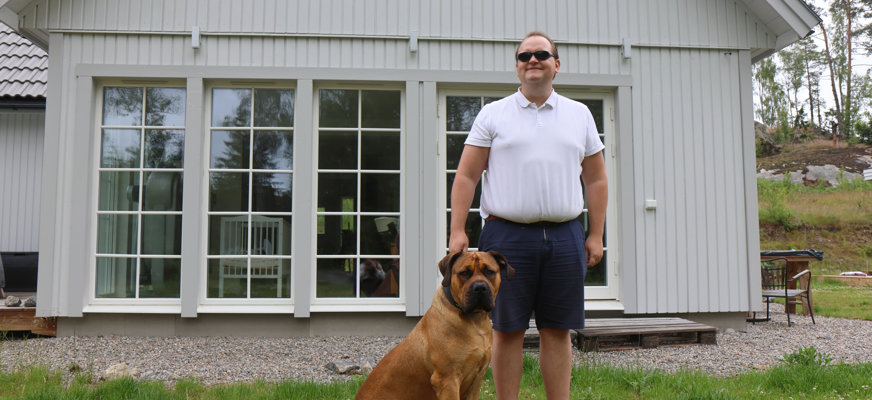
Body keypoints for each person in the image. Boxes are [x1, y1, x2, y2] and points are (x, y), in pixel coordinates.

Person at [448, 31, 607, 400]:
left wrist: (595, 234)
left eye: (541, 54)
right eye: (524, 56)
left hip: (566, 237)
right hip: (506, 238)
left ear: (556, 64)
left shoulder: (579, 114)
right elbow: (467, 175)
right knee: (506, 330)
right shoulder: (493, 114)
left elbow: (597, 179)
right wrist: (457, 229)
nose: (532, 60)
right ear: (517, 67)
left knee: (557, 330)